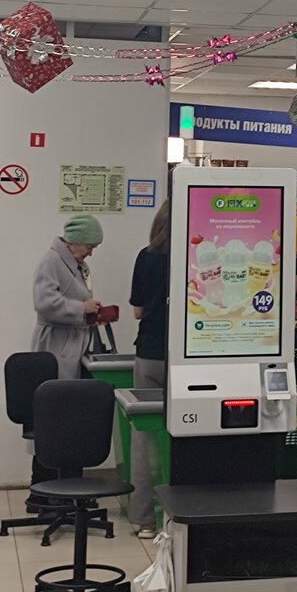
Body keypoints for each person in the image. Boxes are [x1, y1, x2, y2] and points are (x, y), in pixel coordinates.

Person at [30, 213, 104, 490]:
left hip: (73, 344)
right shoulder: (51, 261)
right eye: (90, 246)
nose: (91, 252)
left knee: (71, 420)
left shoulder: (75, 264)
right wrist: (80, 309)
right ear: (75, 241)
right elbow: (44, 302)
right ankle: (45, 488)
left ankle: (69, 485)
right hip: (56, 346)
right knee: (54, 420)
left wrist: (92, 313)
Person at [128, 200, 169, 539]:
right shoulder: (197, 258)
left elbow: (138, 311)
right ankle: (178, 515)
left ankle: (144, 519)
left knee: (145, 439)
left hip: (151, 352)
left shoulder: (146, 256)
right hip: (189, 359)